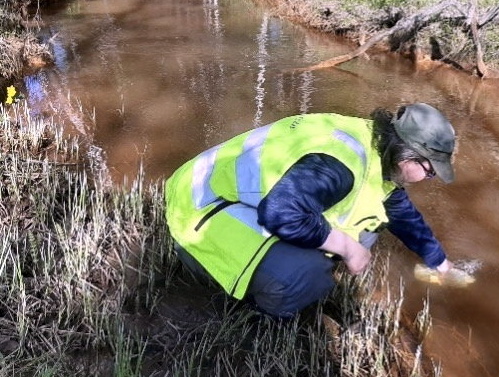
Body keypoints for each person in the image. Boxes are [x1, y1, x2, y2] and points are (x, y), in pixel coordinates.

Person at [165, 102, 456, 318]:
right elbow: (281, 214)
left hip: (243, 198)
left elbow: (403, 216)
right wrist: (348, 249)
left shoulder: (378, 150)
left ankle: (286, 277)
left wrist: (440, 262)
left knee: (367, 229)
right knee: (308, 273)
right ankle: (263, 312)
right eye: (430, 173)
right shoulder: (340, 164)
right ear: (408, 158)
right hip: (198, 210)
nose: (428, 180)